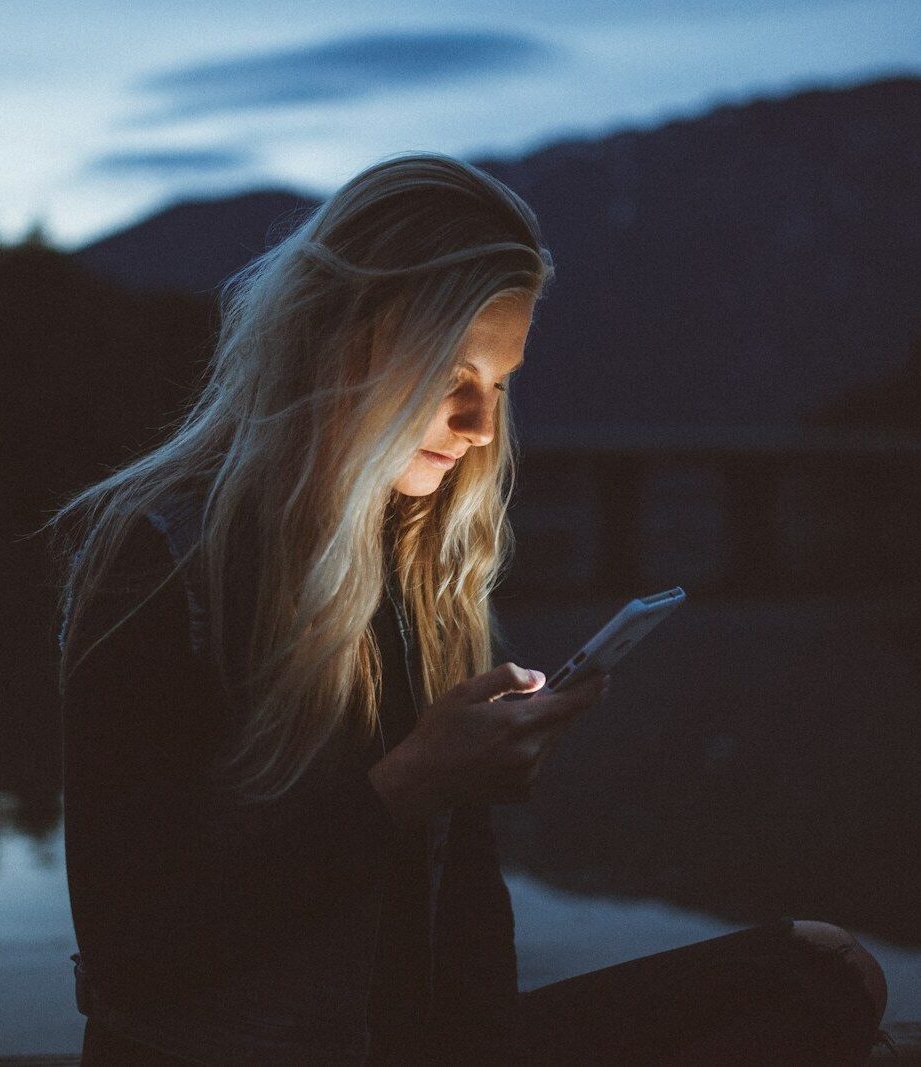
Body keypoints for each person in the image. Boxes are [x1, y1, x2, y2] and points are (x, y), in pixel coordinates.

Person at [47, 152, 889, 1064]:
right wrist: (412, 784)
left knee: (823, 968)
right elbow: (138, 960)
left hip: (426, 1040)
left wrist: (466, 780)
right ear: (340, 338)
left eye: (499, 383)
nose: (480, 426)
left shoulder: (412, 555)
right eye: (451, 371)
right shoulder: (163, 557)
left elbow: (466, 919)